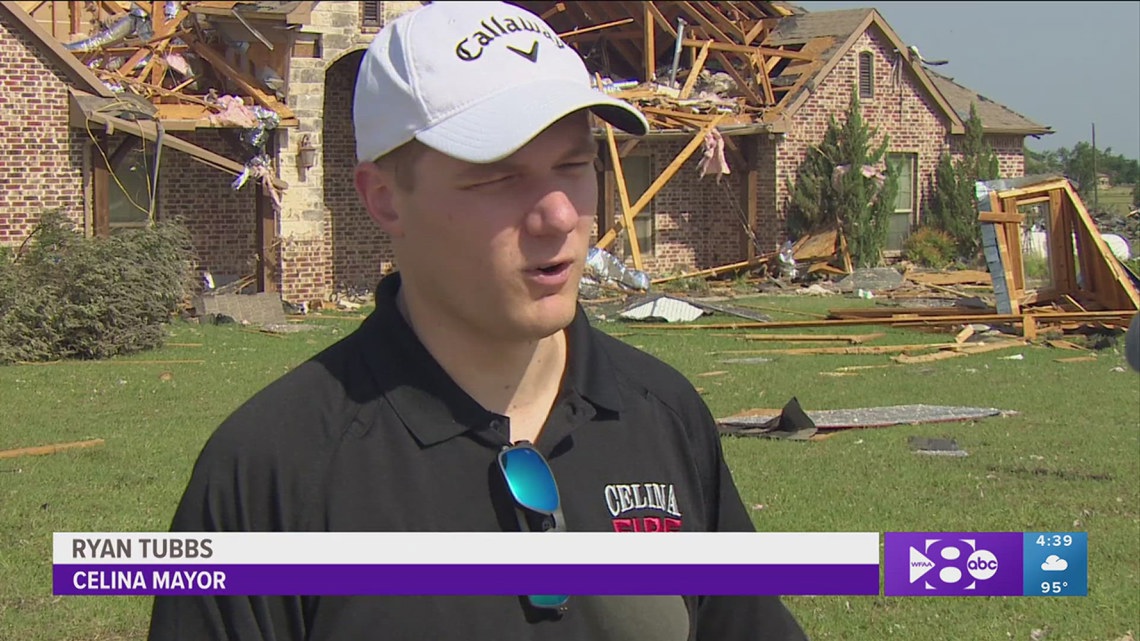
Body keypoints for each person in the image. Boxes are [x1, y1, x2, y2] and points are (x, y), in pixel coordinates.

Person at [147, 2, 808, 639]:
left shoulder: (664, 417)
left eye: (574, 166)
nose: (559, 216)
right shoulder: (270, 474)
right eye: (499, 177)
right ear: (385, 199)